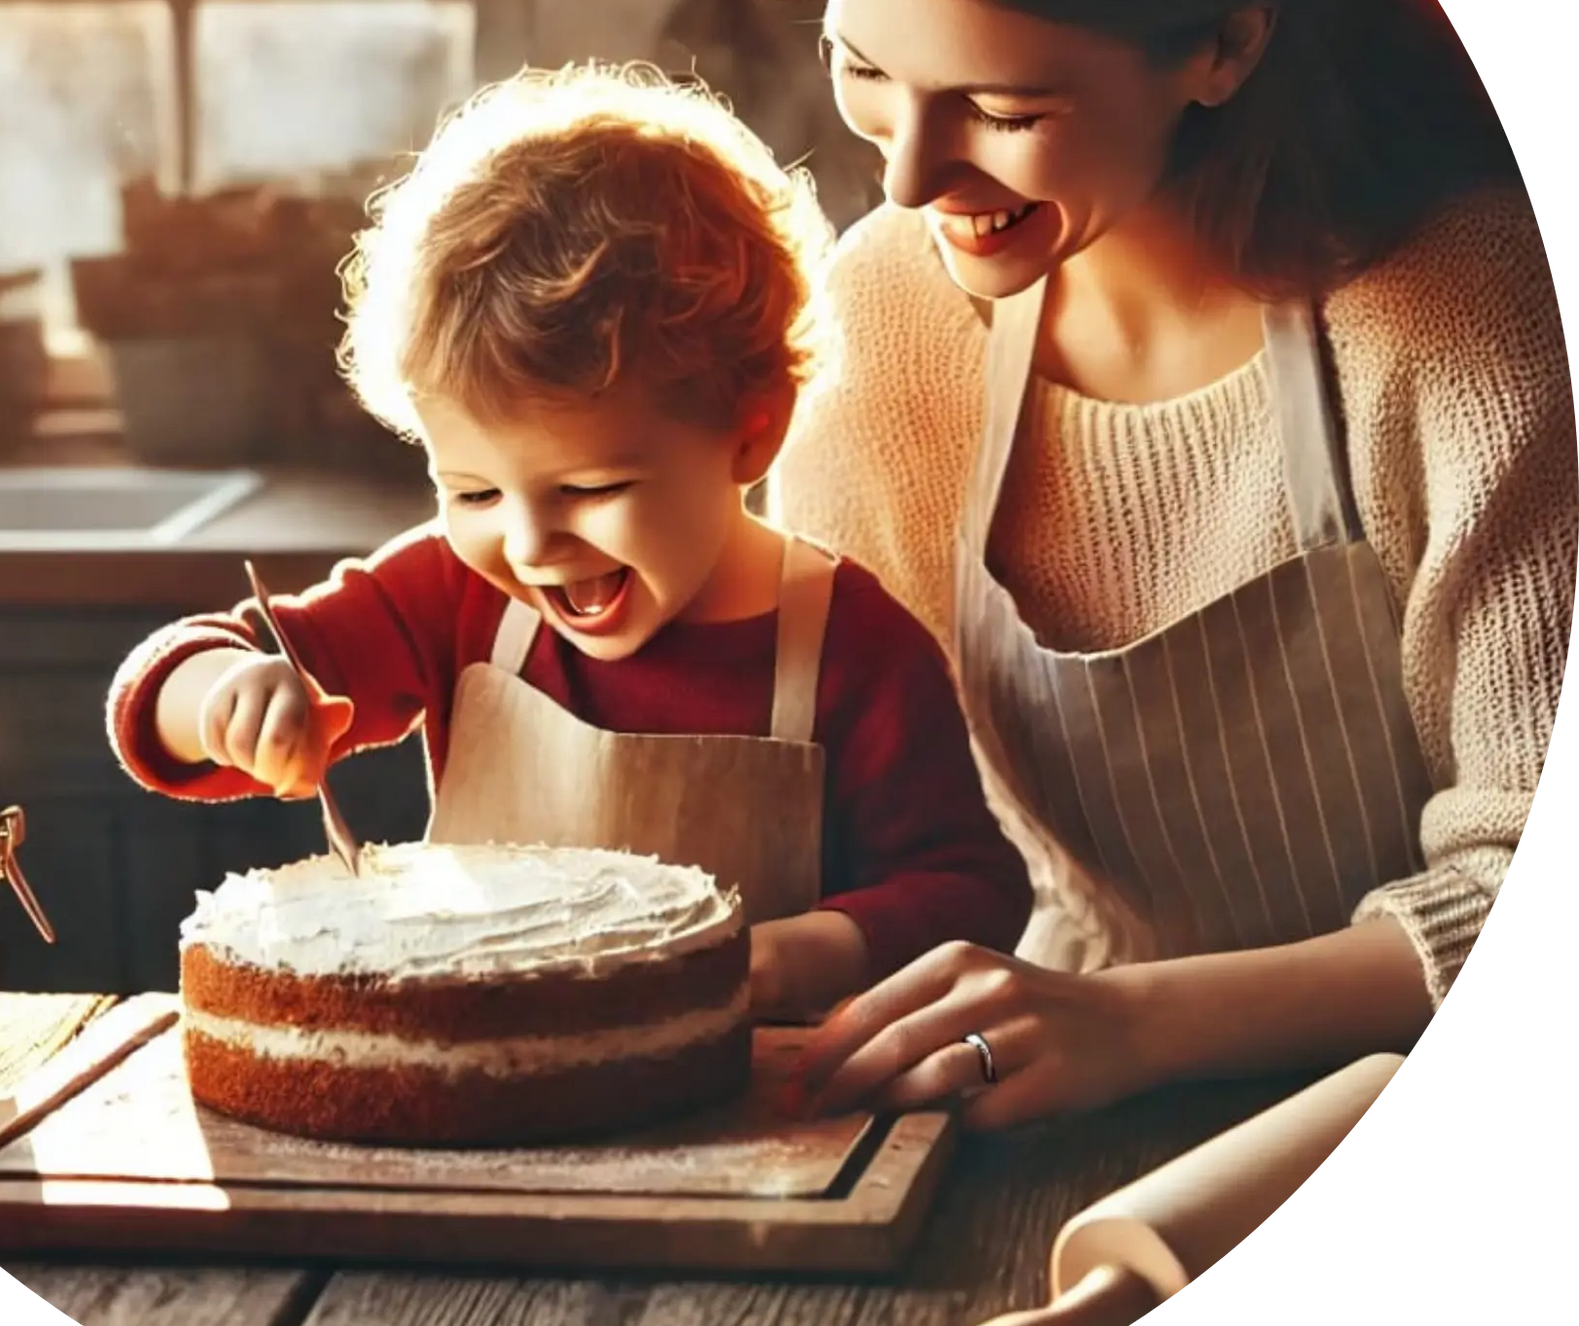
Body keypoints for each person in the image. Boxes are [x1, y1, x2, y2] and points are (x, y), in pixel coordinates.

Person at [763, 0, 1575, 1126]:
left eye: (1001, 108)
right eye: (863, 70)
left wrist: (1135, 1022)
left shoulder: (1460, 309)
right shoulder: (891, 305)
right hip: (1030, 1080)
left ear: (1220, 45)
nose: (910, 171)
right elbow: (779, 740)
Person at [104, 63, 1033, 1019]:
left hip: (759, 1114)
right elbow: (165, 697)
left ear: (750, 431)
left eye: (591, 488)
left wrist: (796, 959)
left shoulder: (855, 650)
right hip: (487, 1102)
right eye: (470, 490)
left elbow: (972, 892)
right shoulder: (452, 597)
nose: (530, 543)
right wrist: (223, 694)